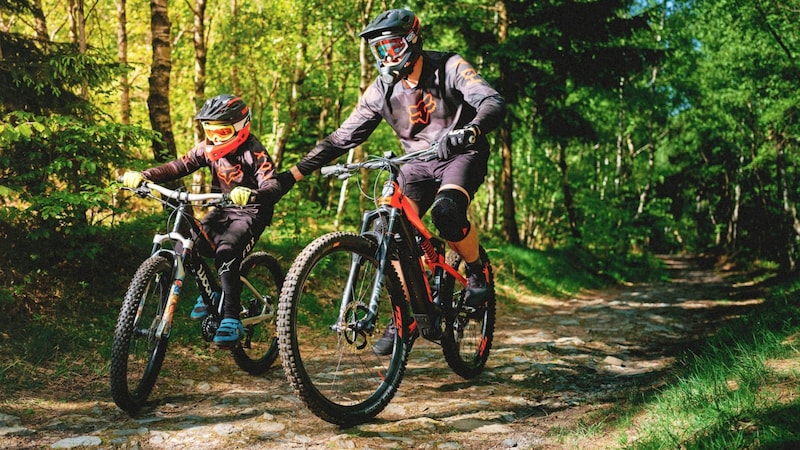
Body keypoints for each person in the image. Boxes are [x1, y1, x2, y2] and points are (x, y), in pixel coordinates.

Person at [280, 9, 506, 355]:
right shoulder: (382, 88)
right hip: (415, 163)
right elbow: (342, 138)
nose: (387, 55)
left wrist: (471, 130)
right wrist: (292, 175)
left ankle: (476, 271)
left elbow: (490, 101)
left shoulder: (449, 66)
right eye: (380, 49)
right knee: (390, 229)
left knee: (446, 213)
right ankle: (406, 314)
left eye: (393, 45)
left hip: (460, 154)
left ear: (413, 41)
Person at [121, 94, 295, 347]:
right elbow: (179, 165)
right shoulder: (207, 148)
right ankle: (211, 292)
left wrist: (254, 193)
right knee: (186, 245)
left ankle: (231, 317)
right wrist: (145, 176)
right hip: (223, 209)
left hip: (251, 212)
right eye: (209, 130)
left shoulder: (253, 151)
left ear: (240, 128)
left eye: (221, 131)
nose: (214, 138)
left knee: (226, 253)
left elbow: (272, 183)